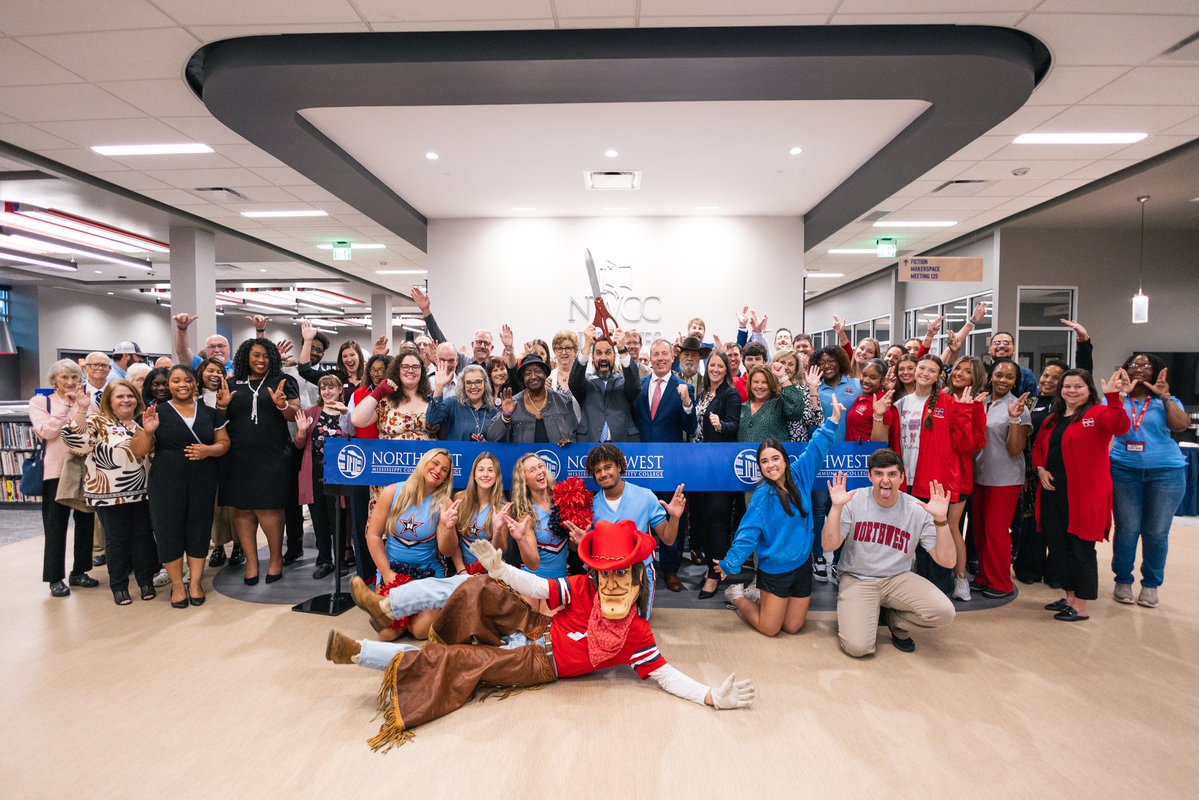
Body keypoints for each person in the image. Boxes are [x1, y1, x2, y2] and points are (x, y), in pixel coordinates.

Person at [332, 523, 754, 750]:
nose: (611, 583)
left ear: (637, 578)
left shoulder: (637, 634)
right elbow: (538, 587)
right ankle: (396, 610)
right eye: (605, 574)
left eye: (620, 573)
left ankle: (361, 654)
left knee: (462, 661)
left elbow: (666, 674)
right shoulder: (583, 587)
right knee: (477, 587)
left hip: (538, 664)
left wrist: (710, 696)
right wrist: (500, 570)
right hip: (536, 627)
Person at [717, 398, 843, 637]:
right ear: (760, 467)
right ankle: (738, 597)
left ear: (785, 460)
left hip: (802, 564)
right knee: (770, 628)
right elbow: (747, 534)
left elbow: (816, 447)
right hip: (775, 570)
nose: (771, 465)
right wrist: (730, 563)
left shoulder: (800, 473)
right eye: (764, 461)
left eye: (775, 458)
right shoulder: (762, 495)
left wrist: (834, 420)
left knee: (792, 627)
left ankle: (764, 598)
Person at [822, 452, 957, 656]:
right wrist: (836, 507)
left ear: (902, 477)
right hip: (858, 578)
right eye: (879, 474)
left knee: (944, 612)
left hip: (898, 578)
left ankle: (896, 621)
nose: (885, 480)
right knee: (858, 648)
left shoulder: (917, 509)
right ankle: (868, 613)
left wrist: (941, 520)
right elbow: (829, 544)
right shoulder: (853, 500)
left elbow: (948, 561)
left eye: (892, 474)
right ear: (870, 476)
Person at [1033, 368, 1132, 622]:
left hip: (1085, 494)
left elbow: (1120, 426)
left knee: (1080, 547)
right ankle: (1069, 597)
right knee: (1058, 546)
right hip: (1053, 491)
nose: (1072, 391)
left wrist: (1114, 398)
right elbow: (1039, 447)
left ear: (1089, 390)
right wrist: (1041, 469)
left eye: (1079, 386)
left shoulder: (1098, 413)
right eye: (1067, 386)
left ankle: (1081, 605)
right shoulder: (1053, 419)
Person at [62, 381, 158, 606]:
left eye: (130, 396)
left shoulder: (143, 422)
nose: (126, 400)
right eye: (120, 396)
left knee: (143, 538)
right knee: (117, 541)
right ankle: (119, 586)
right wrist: (82, 408)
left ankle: (146, 582)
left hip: (142, 492)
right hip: (108, 494)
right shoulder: (97, 421)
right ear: (109, 401)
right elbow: (76, 441)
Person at [145, 365, 230, 607]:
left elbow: (224, 443)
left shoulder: (210, 413)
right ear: (168, 385)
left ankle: (195, 582)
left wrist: (208, 450)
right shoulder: (156, 412)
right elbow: (139, 449)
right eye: (175, 380)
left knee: (199, 529)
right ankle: (177, 585)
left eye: (187, 380)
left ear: (195, 383)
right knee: (168, 530)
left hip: (202, 479)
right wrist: (148, 432)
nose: (182, 384)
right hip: (166, 481)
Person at [217, 338, 300, 585]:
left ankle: (275, 560)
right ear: (246, 357)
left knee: (270, 508)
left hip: (273, 454)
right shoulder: (232, 383)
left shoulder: (283, 381)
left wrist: (282, 405)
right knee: (243, 509)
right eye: (256, 355)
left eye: (265, 355)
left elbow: (293, 414)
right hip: (238, 455)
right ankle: (251, 562)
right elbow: (221, 419)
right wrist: (221, 407)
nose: (261, 360)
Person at [1110, 354, 1189, 608]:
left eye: (1146, 366)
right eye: (1134, 365)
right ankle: (1123, 580)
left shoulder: (1166, 400)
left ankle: (1151, 585)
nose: (1140, 369)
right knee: (1127, 528)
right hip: (1124, 470)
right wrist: (1120, 395)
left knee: (1156, 531)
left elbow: (1181, 425)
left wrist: (1165, 397)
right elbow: (1110, 426)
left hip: (1166, 472)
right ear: (1125, 370)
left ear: (1155, 371)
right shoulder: (1118, 399)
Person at [894, 354, 977, 593]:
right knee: (909, 536)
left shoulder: (948, 402)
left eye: (932, 370)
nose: (924, 373)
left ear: (938, 376)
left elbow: (965, 445)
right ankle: (912, 588)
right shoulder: (901, 403)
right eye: (922, 368)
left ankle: (939, 589)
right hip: (906, 480)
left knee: (933, 537)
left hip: (932, 482)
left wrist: (964, 412)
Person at [360, 449, 460, 640]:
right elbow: (373, 535)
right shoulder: (392, 492)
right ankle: (399, 607)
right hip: (393, 570)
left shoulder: (444, 503)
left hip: (427, 574)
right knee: (387, 633)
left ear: (446, 479)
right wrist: (386, 572)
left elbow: (447, 551)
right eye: (435, 463)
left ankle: (413, 610)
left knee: (421, 630)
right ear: (424, 463)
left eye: (445, 470)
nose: (438, 470)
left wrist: (448, 527)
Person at [579, 444, 686, 608]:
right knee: (607, 622)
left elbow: (668, 539)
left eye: (607, 467)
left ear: (619, 467)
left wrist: (675, 517)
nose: (603, 474)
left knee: (637, 622)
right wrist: (581, 543)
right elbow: (585, 548)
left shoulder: (646, 496)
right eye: (598, 470)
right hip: (606, 579)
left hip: (639, 575)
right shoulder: (591, 505)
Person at [29, 360, 98, 597]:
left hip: (85, 470)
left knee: (86, 523)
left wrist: (81, 407)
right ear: (54, 381)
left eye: (75, 377)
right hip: (55, 472)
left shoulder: (87, 401)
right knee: (55, 525)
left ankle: (80, 571)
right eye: (64, 377)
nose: (70, 382)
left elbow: (94, 430)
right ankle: (54, 578)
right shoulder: (41, 402)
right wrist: (67, 405)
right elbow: (47, 431)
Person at [633, 339, 696, 590]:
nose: (660, 358)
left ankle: (670, 570)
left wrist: (687, 404)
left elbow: (690, 427)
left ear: (672, 358)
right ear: (650, 358)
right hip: (641, 464)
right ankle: (639, 565)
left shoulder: (684, 387)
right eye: (655, 354)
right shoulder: (639, 385)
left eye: (664, 354)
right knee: (640, 516)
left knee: (671, 515)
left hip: (670, 466)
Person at [971, 359, 1031, 601]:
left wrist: (1014, 419)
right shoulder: (982, 401)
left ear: (1015, 381)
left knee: (996, 531)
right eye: (999, 375)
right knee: (980, 530)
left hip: (1005, 478)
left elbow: (1016, 448)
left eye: (1009, 376)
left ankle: (1000, 581)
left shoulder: (1018, 406)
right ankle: (985, 575)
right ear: (990, 376)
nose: (1003, 380)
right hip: (979, 474)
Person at [691, 351, 742, 598]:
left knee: (717, 519)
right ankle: (711, 565)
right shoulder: (703, 393)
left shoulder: (730, 394)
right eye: (712, 365)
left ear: (726, 370)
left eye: (720, 366)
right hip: (699, 466)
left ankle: (715, 574)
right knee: (702, 518)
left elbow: (734, 426)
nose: (715, 369)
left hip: (719, 467)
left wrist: (721, 425)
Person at [811, 345, 862, 581]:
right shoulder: (813, 387)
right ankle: (819, 557)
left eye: (831, 360)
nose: (827, 365)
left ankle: (840, 560)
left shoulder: (856, 385)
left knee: (845, 510)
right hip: (821, 456)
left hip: (848, 457)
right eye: (822, 362)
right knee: (819, 509)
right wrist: (812, 390)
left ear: (840, 361)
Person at [294, 374, 352, 579]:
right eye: (323, 388)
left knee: (338, 519)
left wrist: (347, 415)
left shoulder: (347, 412)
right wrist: (302, 432)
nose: (327, 392)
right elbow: (299, 444)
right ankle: (325, 560)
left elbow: (353, 436)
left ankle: (340, 560)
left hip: (338, 473)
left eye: (331, 387)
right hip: (314, 471)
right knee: (318, 519)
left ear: (340, 390)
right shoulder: (311, 412)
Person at [944, 355, 988, 600]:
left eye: (967, 371)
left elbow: (972, 444)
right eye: (958, 368)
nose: (960, 373)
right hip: (934, 471)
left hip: (959, 475)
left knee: (952, 526)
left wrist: (965, 411)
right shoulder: (941, 398)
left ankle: (960, 579)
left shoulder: (976, 404)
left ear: (976, 377)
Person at [344, 353, 391, 581]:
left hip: (387, 462)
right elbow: (350, 427)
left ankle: (387, 570)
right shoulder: (359, 394)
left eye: (382, 369)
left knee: (386, 520)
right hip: (363, 461)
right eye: (373, 369)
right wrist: (343, 415)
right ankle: (366, 573)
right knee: (362, 517)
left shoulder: (396, 395)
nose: (377, 374)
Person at [195, 357, 242, 568]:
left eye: (219, 371)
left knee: (232, 502)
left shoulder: (231, 393)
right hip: (203, 456)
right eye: (210, 371)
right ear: (201, 373)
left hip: (229, 453)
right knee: (212, 504)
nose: (215, 375)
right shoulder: (194, 396)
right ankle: (219, 546)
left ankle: (239, 545)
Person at [487, 354, 581, 444]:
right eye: (528, 373)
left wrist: (571, 442)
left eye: (538, 371)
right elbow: (492, 437)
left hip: (558, 455)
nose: (533, 376)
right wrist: (506, 417)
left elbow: (576, 434)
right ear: (523, 378)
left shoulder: (564, 401)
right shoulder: (512, 404)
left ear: (545, 374)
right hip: (522, 456)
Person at [570, 326, 641, 442]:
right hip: (590, 444)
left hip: (622, 444)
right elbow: (573, 382)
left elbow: (635, 386)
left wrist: (622, 349)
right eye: (598, 353)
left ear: (614, 356)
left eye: (608, 352)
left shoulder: (625, 382)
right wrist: (587, 345)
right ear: (592, 358)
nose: (603, 357)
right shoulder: (585, 383)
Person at [503, 453, 568, 579]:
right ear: (524, 480)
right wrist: (520, 539)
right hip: (537, 582)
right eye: (532, 470)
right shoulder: (526, 515)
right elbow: (533, 564)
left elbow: (574, 547)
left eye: (540, 466)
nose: (539, 472)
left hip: (561, 582)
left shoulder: (562, 500)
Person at [450, 452, 511, 576]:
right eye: (481, 470)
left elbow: (501, 551)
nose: (485, 474)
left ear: (497, 476)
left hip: (491, 572)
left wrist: (497, 530)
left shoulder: (502, 508)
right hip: (462, 571)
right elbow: (453, 542)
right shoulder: (459, 499)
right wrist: (462, 571)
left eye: (490, 470)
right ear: (474, 474)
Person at [427, 363, 498, 441]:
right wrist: (439, 386)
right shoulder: (452, 403)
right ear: (463, 386)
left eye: (478, 382)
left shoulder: (493, 411)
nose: (473, 387)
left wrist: (485, 443)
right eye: (468, 383)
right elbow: (432, 421)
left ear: (485, 384)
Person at [844, 359, 900, 452]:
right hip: (852, 455)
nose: (866, 380)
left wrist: (878, 415)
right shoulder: (862, 397)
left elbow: (880, 444)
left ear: (882, 381)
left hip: (867, 457)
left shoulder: (883, 404)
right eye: (864, 375)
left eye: (873, 378)